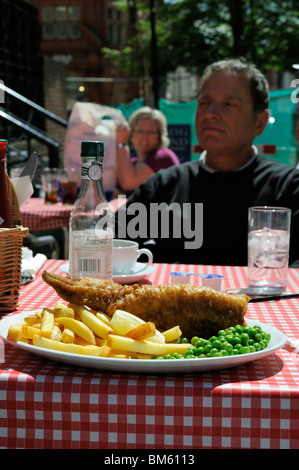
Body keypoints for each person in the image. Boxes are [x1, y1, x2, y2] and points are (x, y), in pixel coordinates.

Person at [115, 58, 299, 267]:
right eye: (204, 103)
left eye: (228, 104)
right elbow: (109, 244)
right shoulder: (164, 186)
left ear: (260, 122)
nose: (210, 113)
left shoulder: (288, 189)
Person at [114, 106, 180, 196]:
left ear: (159, 137)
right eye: (139, 130)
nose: (144, 137)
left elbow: (128, 183)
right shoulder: (131, 164)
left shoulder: (164, 156)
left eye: (151, 132)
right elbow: (116, 195)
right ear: (131, 134)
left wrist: (121, 142)